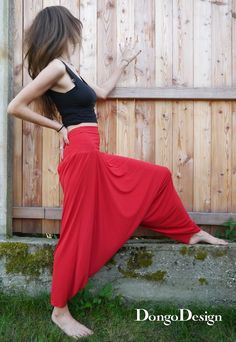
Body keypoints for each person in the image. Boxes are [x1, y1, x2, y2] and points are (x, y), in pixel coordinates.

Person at [7, 5, 228, 340]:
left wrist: (122, 64)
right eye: (73, 29)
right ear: (62, 31)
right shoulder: (54, 67)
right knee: (76, 231)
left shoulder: (68, 69)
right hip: (80, 154)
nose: (76, 35)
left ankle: (189, 232)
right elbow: (15, 106)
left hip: (91, 154)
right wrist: (57, 127)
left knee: (157, 176)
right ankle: (59, 311)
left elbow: (101, 93)